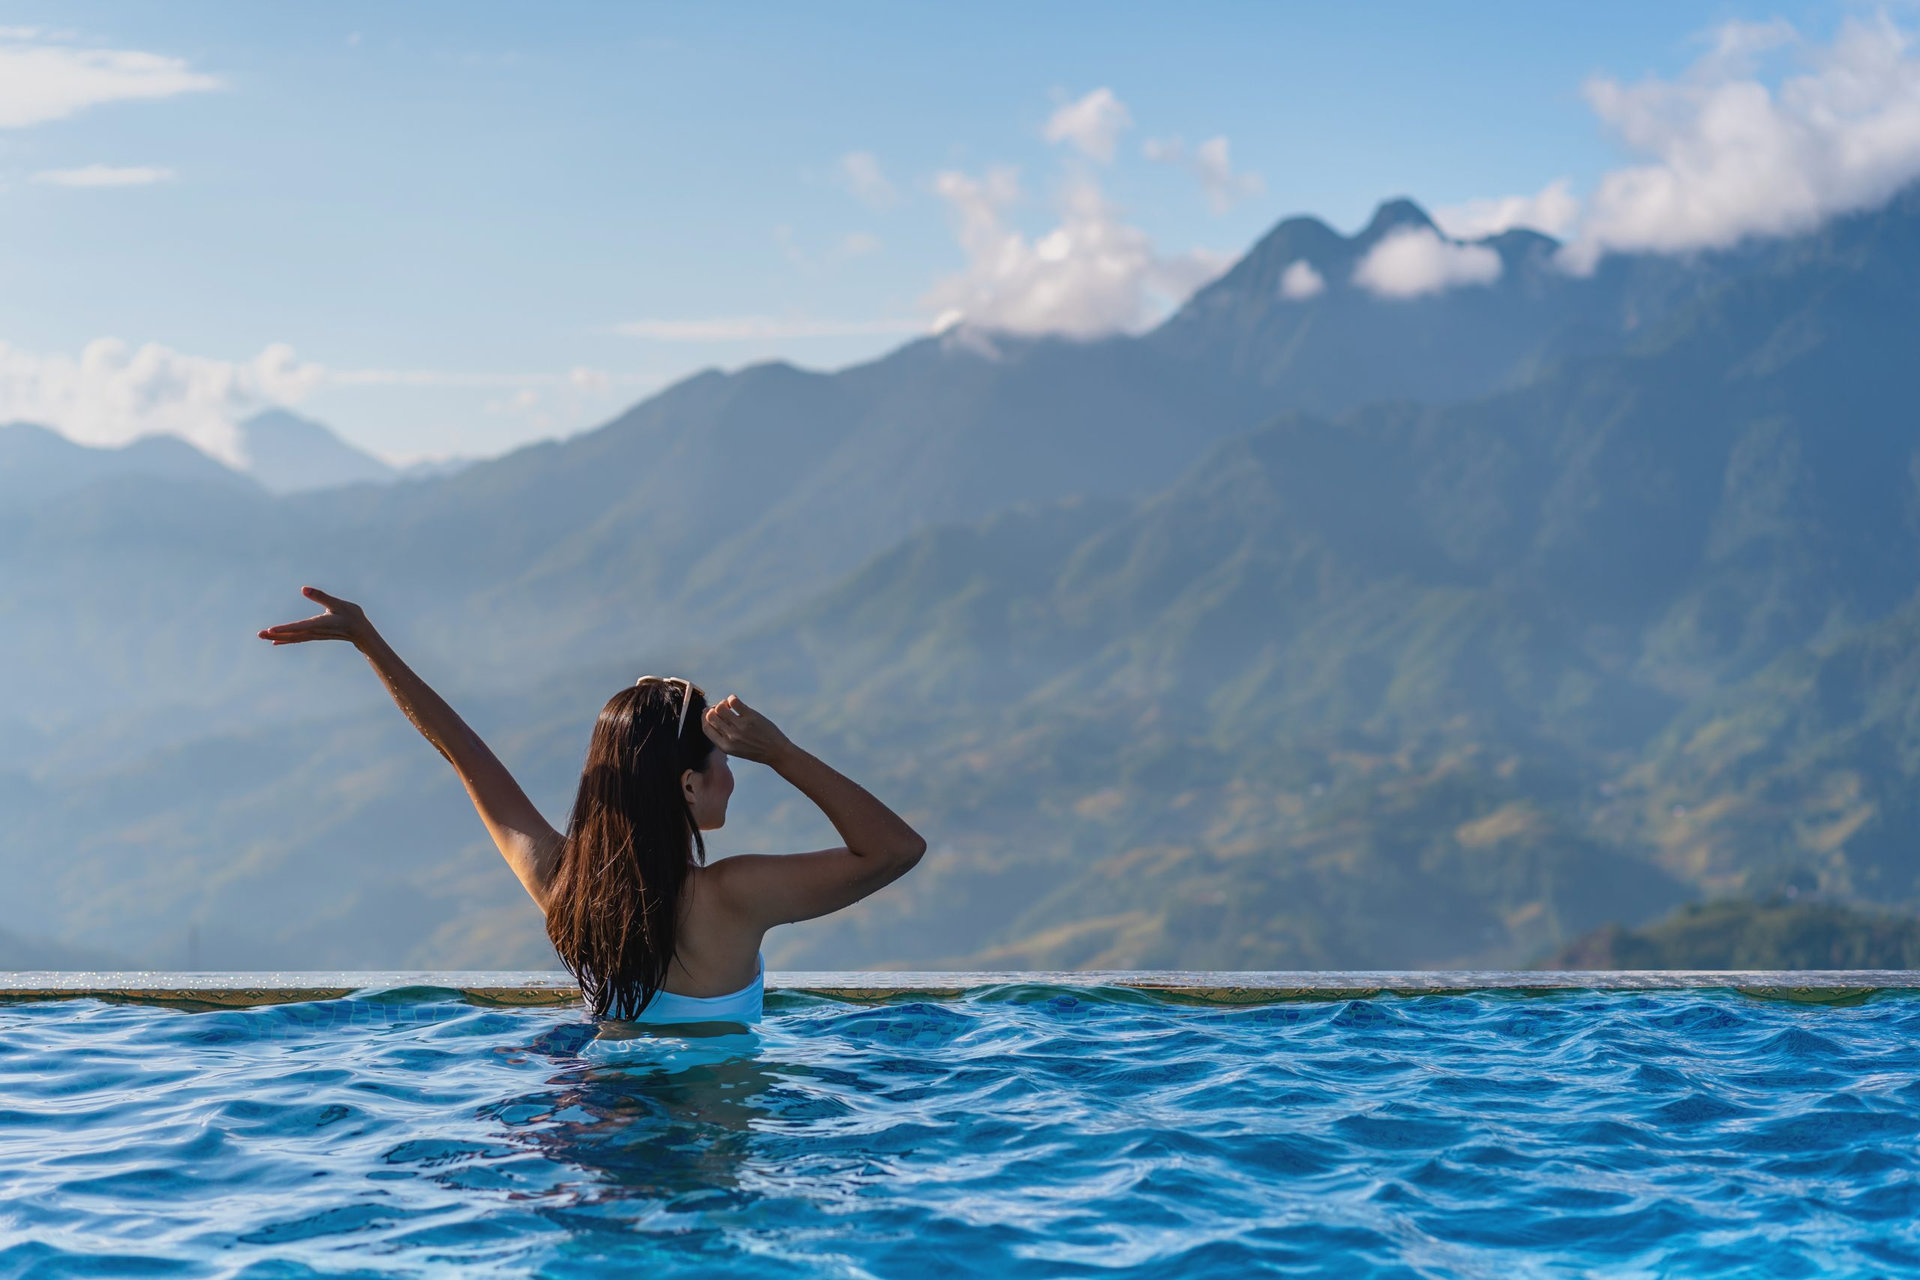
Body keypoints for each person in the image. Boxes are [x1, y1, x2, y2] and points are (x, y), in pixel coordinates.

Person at [258, 586, 926, 1025]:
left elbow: (460, 750)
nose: (733, 773)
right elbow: (896, 850)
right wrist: (780, 752)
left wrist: (367, 640)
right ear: (688, 787)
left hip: (592, 1128)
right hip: (698, 1157)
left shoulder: (566, 886)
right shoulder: (734, 896)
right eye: (724, 760)